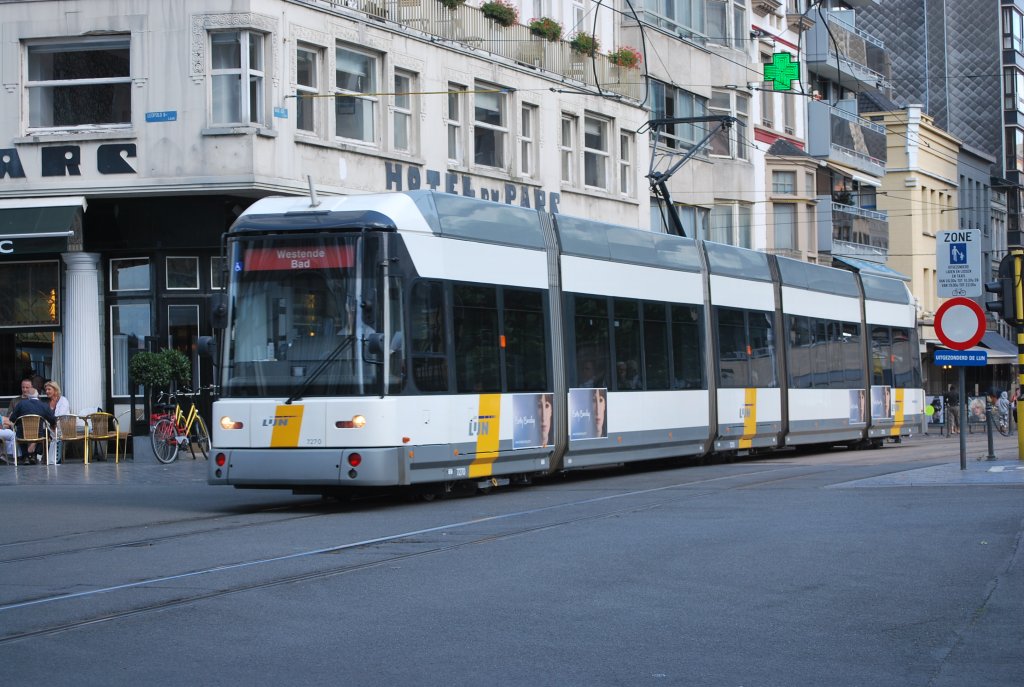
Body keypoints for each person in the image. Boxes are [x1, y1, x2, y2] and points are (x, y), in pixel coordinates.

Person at [9, 388, 57, 464]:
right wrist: (53, 425)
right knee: (46, 432)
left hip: (22, 434)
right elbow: (52, 419)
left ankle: (25, 456)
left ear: (28, 396)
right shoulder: (43, 405)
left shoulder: (21, 404)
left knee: (19, 432)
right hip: (38, 434)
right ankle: (34, 454)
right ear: (37, 395)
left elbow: (12, 418)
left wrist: (19, 423)